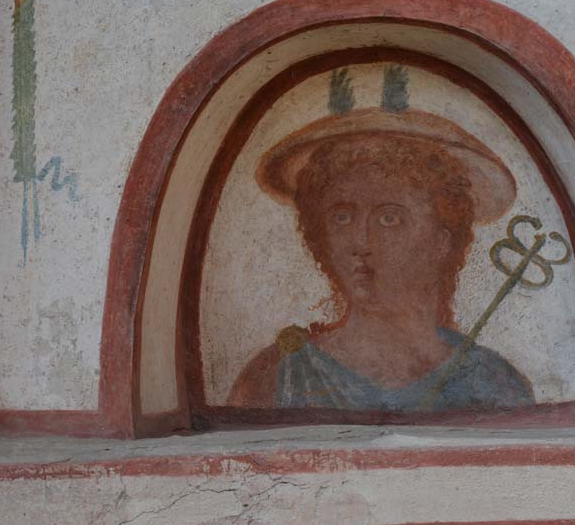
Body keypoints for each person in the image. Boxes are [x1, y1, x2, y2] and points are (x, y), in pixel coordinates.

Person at [227, 101, 535, 413]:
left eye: (389, 218)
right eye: (342, 218)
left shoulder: (495, 383)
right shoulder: (279, 377)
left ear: (441, 242)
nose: (360, 242)